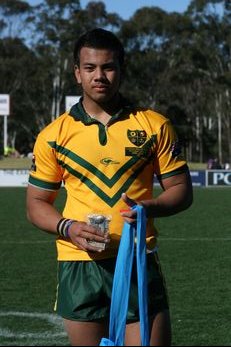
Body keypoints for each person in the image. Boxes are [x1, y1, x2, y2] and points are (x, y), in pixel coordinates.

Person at [26, 28, 193, 346]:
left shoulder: (154, 125)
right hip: (80, 266)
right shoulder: (53, 135)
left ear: (122, 70)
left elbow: (181, 190)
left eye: (108, 67)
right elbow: (36, 202)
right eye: (90, 68)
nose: (99, 76)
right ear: (77, 72)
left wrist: (150, 207)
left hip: (137, 261)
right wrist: (68, 227)